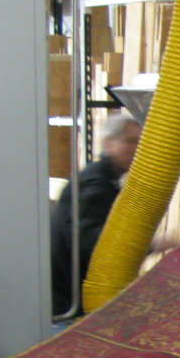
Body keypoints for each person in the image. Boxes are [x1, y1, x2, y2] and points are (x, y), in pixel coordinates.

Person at [50, 111, 140, 316]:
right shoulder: (94, 184)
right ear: (109, 143)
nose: (136, 149)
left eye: (139, 142)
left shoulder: (106, 181)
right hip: (70, 302)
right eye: (130, 141)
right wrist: (149, 244)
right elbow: (96, 242)